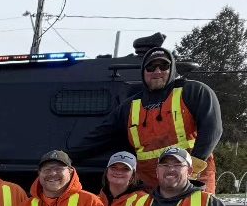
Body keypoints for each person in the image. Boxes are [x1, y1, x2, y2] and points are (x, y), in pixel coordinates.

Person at [73, 47, 222, 193]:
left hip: (191, 178)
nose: (157, 71)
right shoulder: (130, 106)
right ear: (143, 72)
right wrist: (64, 157)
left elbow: (212, 130)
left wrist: (191, 169)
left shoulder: (193, 91)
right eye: (150, 67)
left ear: (172, 69)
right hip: (150, 184)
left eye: (164, 66)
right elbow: (100, 136)